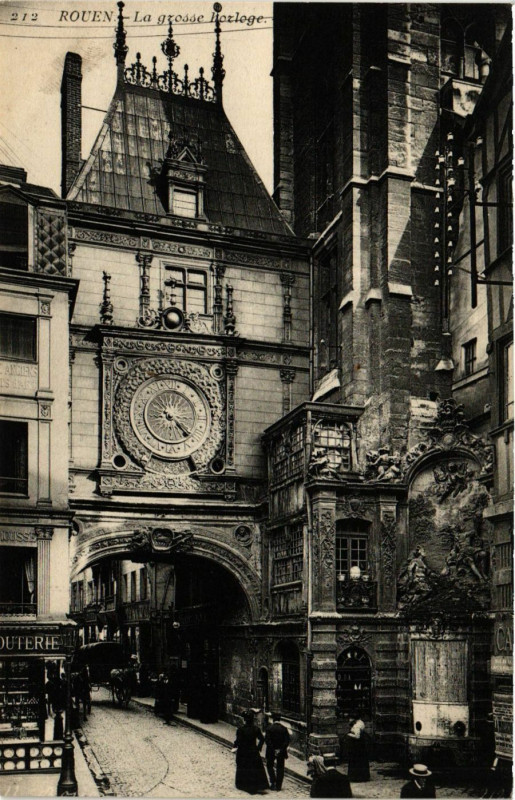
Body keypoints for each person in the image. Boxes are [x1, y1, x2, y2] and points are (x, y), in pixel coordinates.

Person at [233, 710, 269, 794]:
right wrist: (258, 748)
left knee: (244, 767)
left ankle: (243, 784)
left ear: (245, 720)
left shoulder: (241, 730)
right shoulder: (256, 729)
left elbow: (238, 740)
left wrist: (235, 746)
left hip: (243, 751)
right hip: (253, 751)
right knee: (254, 767)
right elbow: (262, 739)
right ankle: (257, 784)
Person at [265, 712, 290, 791]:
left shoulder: (269, 728)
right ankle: (279, 786)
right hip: (281, 752)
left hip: (271, 751)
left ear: (273, 719)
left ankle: (273, 782)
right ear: (280, 719)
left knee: (269, 765)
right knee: (280, 767)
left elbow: (267, 741)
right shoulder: (284, 729)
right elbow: (287, 741)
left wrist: (273, 750)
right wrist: (280, 750)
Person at [346, 717, 370, 782]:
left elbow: (357, 736)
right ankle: (363, 776)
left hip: (357, 746)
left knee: (356, 761)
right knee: (361, 760)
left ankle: (356, 777)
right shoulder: (361, 722)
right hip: (361, 746)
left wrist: (349, 735)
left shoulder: (356, 726)